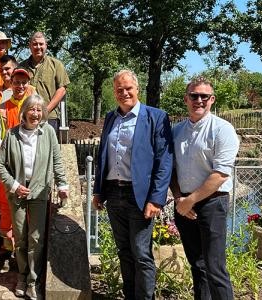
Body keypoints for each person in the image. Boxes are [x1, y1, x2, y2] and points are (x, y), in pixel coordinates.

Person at [92, 70, 173, 300]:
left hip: (140, 196)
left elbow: (164, 161)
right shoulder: (111, 117)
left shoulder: (156, 117)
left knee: (141, 254)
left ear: (137, 88)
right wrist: (98, 190)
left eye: (128, 88)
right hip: (114, 194)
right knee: (124, 252)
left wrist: (156, 199)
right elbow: (103, 155)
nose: (124, 92)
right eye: (119, 89)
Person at [170, 76, 239, 300]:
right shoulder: (176, 131)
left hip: (212, 203)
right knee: (197, 265)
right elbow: (170, 168)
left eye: (204, 96)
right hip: (184, 204)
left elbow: (220, 174)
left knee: (215, 267)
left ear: (212, 100)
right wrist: (180, 198)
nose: (198, 100)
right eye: (194, 96)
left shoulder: (222, 130)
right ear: (186, 99)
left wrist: (191, 200)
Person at [0, 94, 69, 300]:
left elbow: (57, 160)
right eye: (32, 109)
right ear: (24, 111)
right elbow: (0, 164)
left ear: (43, 113)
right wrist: (14, 185)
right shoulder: (11, 135)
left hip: (39, 191)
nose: (35, 113)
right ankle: (22, 275)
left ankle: (33, 281)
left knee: (36, 238)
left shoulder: (48, 133)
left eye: (39, 110)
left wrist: (63, 184)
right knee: (20, 238)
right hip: (17, 191)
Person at [0, 67, 36, 269]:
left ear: (28, 85)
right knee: (7, 209)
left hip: (29, 167)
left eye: (24, 82)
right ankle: (8, 248)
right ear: (11, 83)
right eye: (16, 82)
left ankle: (24, 251)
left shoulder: (33, 109)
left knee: (28, 210)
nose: (20, 86)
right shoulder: (1, 109)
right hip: (8, 166)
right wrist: (12, 150)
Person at [19, 31, 70, 132]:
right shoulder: (21, 67)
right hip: (26, 117)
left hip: (50, 117)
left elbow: (62, 89)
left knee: (47, 147)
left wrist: (45, 110)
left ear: (46, 45)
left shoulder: (56, 65)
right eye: (35, 44)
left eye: (41, 44)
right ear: (30, 46)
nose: (38, 47)